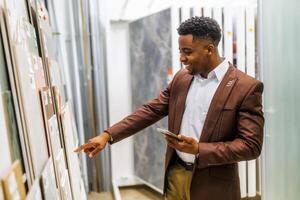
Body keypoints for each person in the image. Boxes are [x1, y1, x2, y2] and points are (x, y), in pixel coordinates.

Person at [74, 16, 264, 200]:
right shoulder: (182, 78)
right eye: (180, 51)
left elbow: (251, 146)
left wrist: (199, 149)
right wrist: (107, 136)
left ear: (209, 49)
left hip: (213, 185)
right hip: (176, 174)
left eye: (187, 51)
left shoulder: (245, 87)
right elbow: (151, 110)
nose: (182, 58)